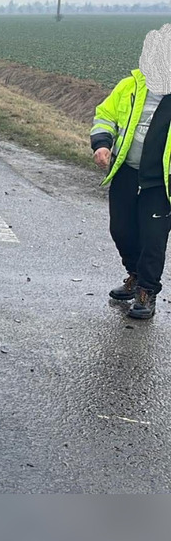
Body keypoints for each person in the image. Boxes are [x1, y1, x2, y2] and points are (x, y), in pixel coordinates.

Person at [92, 24, 171, 320]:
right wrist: (101, 144)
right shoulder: (130, 87)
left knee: (153, 237)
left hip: (161, 183)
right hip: (125, 171)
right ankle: (134, 275)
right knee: (121, 229)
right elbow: (105, 116)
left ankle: (147, 292)